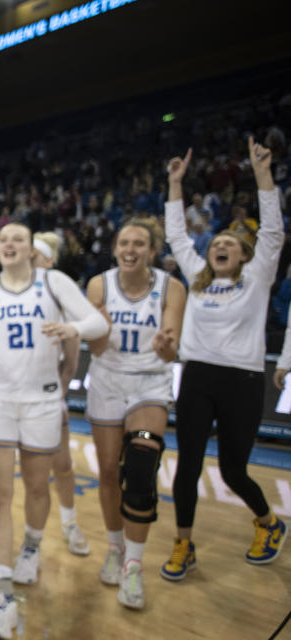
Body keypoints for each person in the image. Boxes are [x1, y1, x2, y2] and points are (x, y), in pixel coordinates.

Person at [0, 222, 108, 638]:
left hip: (42, 400)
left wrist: (73, 329)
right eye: (4, 240)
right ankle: (2, 598)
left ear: (32, 250)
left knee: (34, 485)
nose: (11, 245)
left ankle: (30, 548)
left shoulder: (54, 281)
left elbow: (98, 325)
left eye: (19, 240)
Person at [162, 141, 287, 579]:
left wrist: (262, 175)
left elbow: (273, 231)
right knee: (187, 465)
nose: (220, 246)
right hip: (196, 376)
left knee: (234, 470)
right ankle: (183, 544)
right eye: (216, 241)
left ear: (245, 255)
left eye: (230, 243)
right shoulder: (197, 278)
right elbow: (177, 235)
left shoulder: (256, 279)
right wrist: (175, 184)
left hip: (243, 380)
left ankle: (269, 523)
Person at [84, 218, 185, 609]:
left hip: (149, 383)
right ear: (115, 248)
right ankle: (114, 547)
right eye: (124, 242)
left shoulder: (171, 288)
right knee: (109, 472)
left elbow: (171, 351)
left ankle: (133, 566)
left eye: (139, 244)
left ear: (152, 251)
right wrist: (101, 331)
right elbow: (94, 350)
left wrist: (165, 345)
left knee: (141, 471)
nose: (130, 249)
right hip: (107, 381)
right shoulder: (99, 285)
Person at [31, 231, 90, 558]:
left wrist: (61, 389)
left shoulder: (58, 290)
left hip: (47, 394)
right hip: (10, 395)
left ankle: (69, 522)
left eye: (34, 257)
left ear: (49, 260)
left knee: (62, 463)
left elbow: (72, 351)